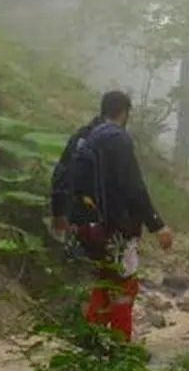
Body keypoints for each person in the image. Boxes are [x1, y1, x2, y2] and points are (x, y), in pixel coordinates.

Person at [50, 90, 173, 342]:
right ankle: (120, 347)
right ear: (125, 112)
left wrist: (59, 213)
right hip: (113, 227)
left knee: (105, 278)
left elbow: (60, 174)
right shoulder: (118, 139)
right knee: (125, 285)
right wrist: (157, 225)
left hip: (83, 226)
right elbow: (133, 187)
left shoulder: (83, 136)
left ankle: (93, 341)